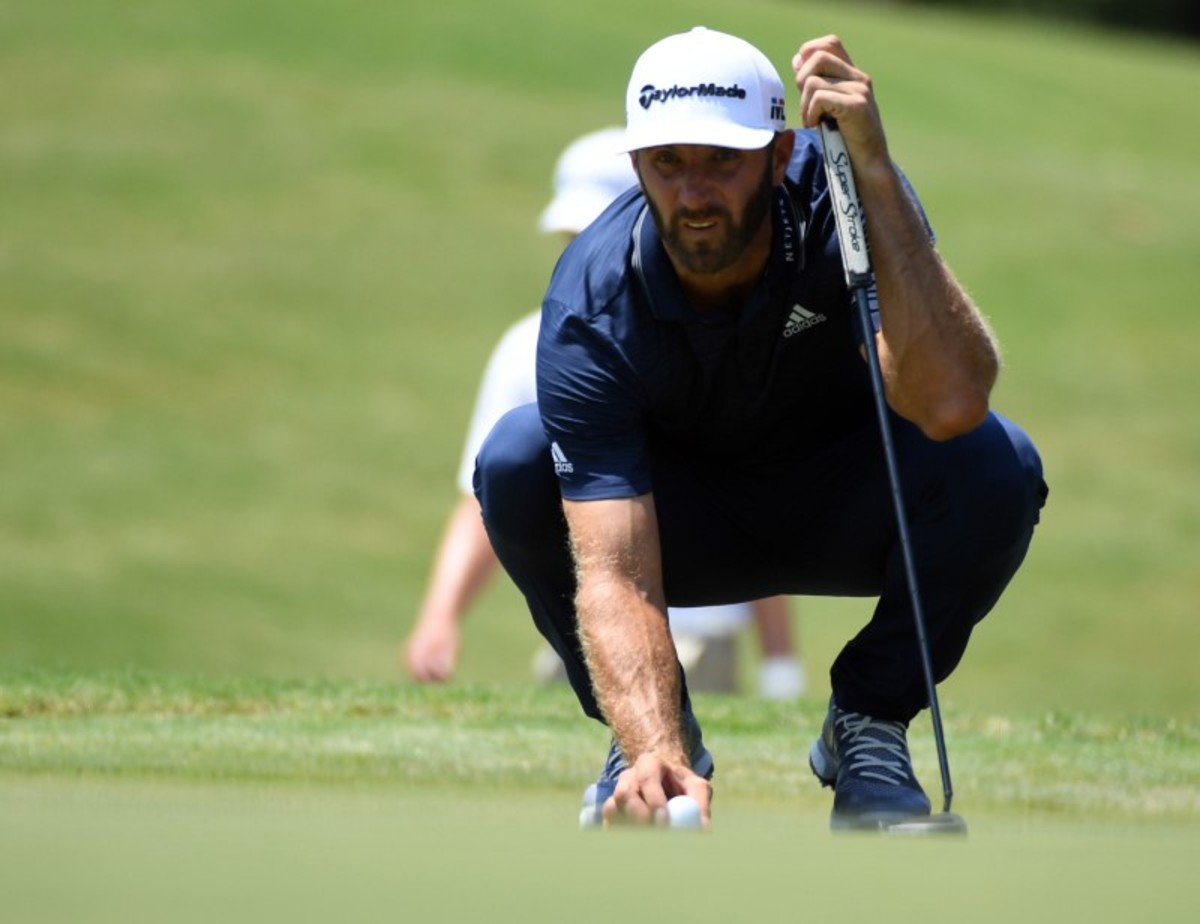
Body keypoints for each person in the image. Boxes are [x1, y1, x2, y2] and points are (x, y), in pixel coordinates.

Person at [474, 27, 1048, 829]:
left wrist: (877, 172)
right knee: (516, 460)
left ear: (779, 156)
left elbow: (951, 400)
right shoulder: (592, 302)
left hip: (844, 507)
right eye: (668, 163)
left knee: (998, 463)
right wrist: (651, 741)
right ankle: (656, 743)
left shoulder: (848, 200)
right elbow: (617, 574)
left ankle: (870, 721)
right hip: (686, 529)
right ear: (636, 167)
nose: (694, 193)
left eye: (722, 160)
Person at [403, 126, 807, 699]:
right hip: (589, 636)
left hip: (704, 636)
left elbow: (750, 500)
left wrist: (779, 657)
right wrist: (440, 616)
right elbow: (485, 498)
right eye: (571, 235)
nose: (583, 251)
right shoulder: (527, 346)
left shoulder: (724, 337)